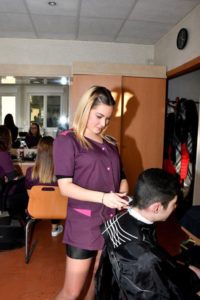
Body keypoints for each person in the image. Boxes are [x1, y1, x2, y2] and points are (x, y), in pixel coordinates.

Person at [53, 86, 129, 300]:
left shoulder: (110, 143)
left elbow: (121, 178)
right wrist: (105, 197)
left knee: (96, 279)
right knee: (72, 290)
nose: (103, 123)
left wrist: (123, 195)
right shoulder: (68, 141)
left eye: (107, 118)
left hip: (110, 222)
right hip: (84, 225)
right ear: (85, 109)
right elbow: (65, 187)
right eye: (98, 116)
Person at [97, 168, 200, 300]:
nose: (175, 208)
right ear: (156, 207)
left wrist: (188, 267)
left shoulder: (121, 218)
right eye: (174, 204)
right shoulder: (145, 259)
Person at [25, 136, 63, 237]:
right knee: (55, 199)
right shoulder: (62, 172)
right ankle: (54, 229)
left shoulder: (30, 172)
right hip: (59, 209)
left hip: (36, 209)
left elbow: (31, 196)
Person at [0, 125, 28, 218]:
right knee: (29, 183)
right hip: (5, 190)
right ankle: (26, 215)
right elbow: (14, 177)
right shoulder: (2, 153)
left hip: (3, 186)